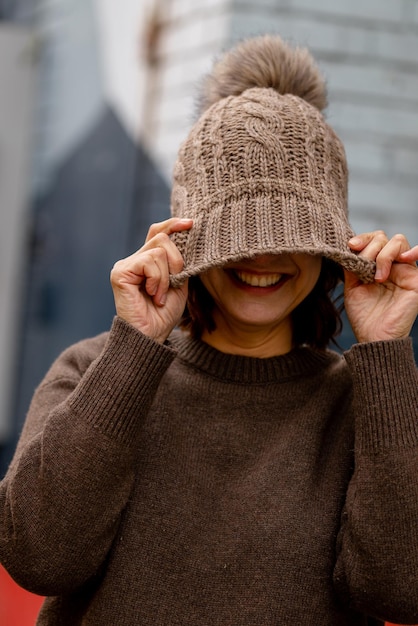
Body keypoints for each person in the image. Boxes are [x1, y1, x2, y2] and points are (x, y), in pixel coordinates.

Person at [1, 34, 418, 626]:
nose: (261, 257)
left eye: (289, 233)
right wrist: (134, 348)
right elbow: (38, 558)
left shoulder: (368, 400)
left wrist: (385, 351)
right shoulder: (94, 370)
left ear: (327, 249)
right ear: (184, 240)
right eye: (239, 235)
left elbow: (400, 590)